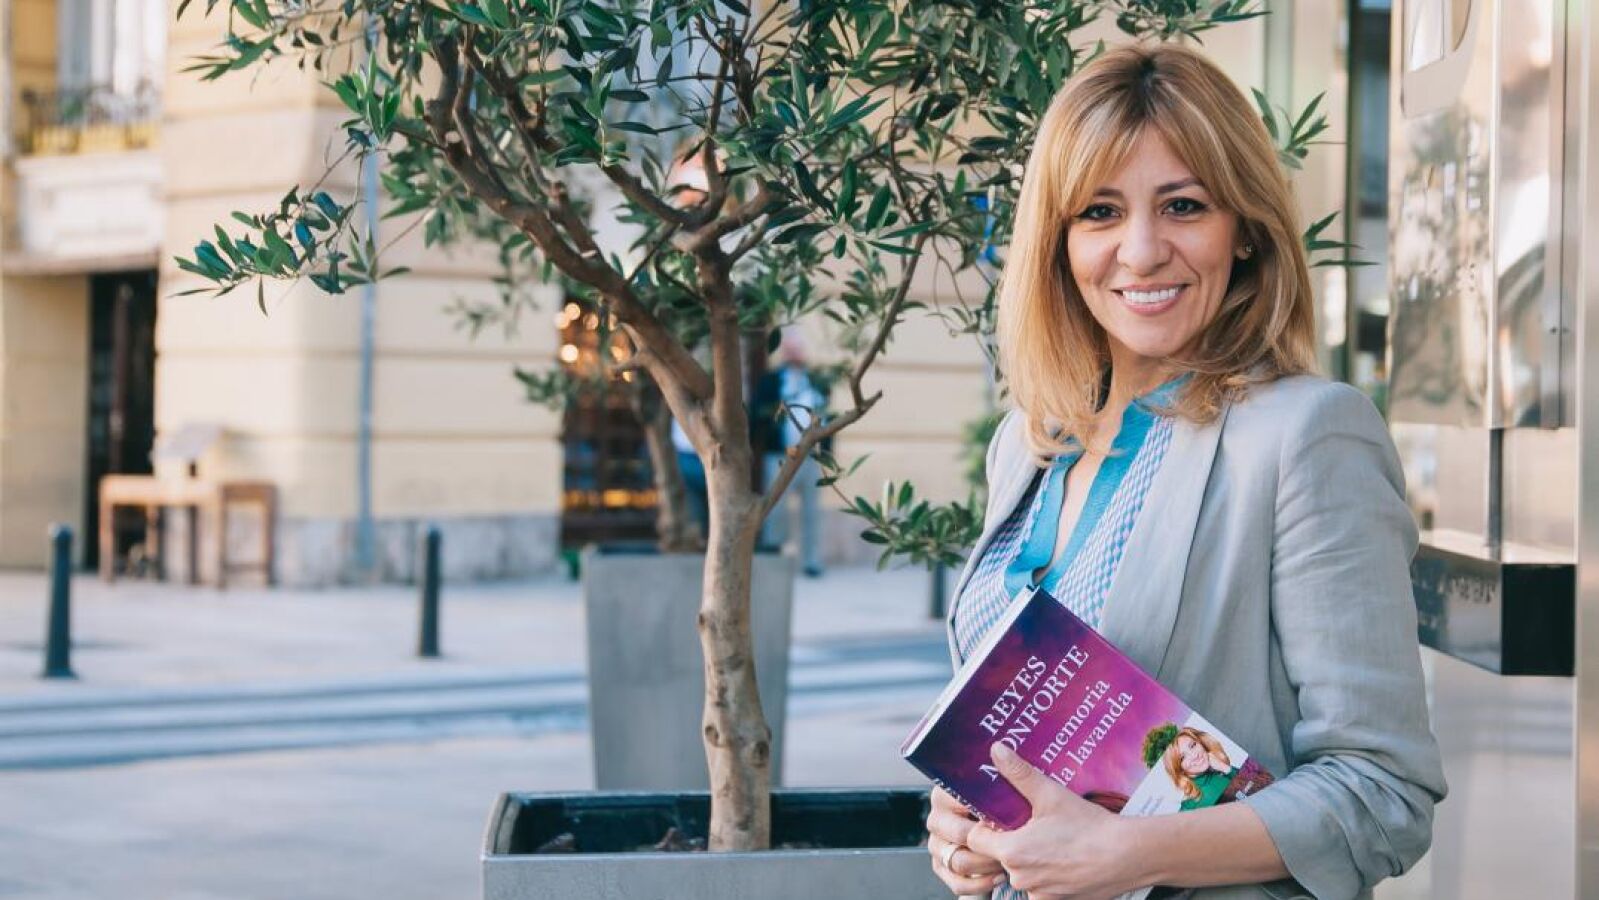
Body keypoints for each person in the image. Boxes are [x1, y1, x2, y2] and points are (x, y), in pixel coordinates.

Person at [922, 44, 1446, 900]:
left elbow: (1382, 794)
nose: (1139, 251)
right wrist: (962, 833)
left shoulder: (1308, 436)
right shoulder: (1029, 444)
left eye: (1183, 206)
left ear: (1243, 230)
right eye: (1099, 211)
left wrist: (1127, 854)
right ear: (1056, 243)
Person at [755, 328, 827, 577]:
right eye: (790, 349)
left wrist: (826, 454)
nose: (795, 354)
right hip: (780, 456)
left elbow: (827, 417)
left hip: (810, 457)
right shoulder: (771, 381)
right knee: (775, 509)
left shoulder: (815, 381)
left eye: (798, 349)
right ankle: (774, 557)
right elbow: (758, 414)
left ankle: (812, 561)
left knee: (811, 512)